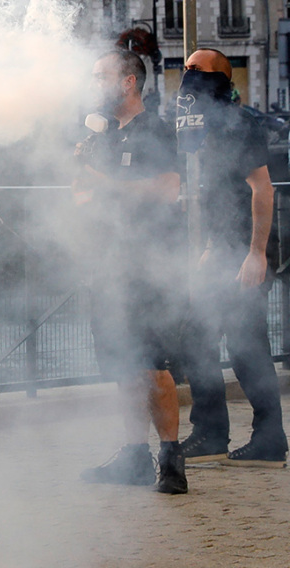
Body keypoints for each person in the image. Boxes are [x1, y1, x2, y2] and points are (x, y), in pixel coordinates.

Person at [73, 50, 188, 494]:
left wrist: (106, 188)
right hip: (107, 266)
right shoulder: (98, 136)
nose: (94, 84)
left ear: (128, 83)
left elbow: (169, 189)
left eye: (101, 76)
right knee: (122, 364)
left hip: (149, 266)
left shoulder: (156, 129)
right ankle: (134, 456)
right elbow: (80, 196)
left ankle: (171, 458)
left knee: (153, 365)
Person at [176, 48, 288, 467]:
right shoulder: (208, 128)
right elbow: (217, 196)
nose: (188, 75)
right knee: (197, 336)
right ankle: (210, 434)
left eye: (196, 69)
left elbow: (263, 189)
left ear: (221, 78)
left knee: (246, 345)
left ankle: (269, 440)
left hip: (247, 250)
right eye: (184, 68)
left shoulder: (239, 125)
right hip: (223, 248)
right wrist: (209, 246)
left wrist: (255, 253)